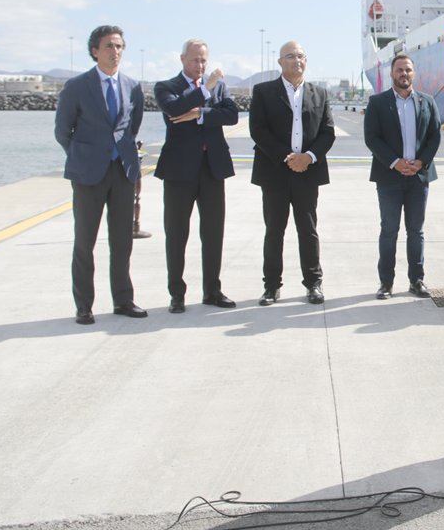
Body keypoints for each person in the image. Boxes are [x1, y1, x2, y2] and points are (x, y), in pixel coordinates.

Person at [54, 25, 147, 325]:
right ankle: (84, 306)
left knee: (122, 241)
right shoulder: (77, 86)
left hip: (122, 172)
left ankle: (123, 300)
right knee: (85, 242)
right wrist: (84, 156)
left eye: (119, 46)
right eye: (108, 46)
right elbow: (62, 131)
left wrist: (118, 153)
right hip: (88, 174)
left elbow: (131, 128)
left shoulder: (133, 86)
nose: (115, 51)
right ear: (95, 51)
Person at [153, 38, 239, 313]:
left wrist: (199, 114)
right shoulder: (166, 87)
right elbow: (174, 110)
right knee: (177, 233)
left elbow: (231, 115)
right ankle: (176, 294)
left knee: (213, 232)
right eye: (194, 59)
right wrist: (205, 90)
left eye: (203, 60)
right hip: (179, 170)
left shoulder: (219, 86)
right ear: (182, 59)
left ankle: (212, 291)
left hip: (212, 168)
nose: (200, 65)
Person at [250, 41, 335, 306]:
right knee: (274, 230)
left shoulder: (319, 93)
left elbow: (327, 132)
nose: (296, 60)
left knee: (308, 230)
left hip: (308, 172)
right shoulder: (263, 91)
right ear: (280, 62)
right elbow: (258, 130)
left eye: (300, 56)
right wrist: (287, 157)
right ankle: (271, 287)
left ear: (306, 61)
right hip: (275, 172)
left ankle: (313, 284)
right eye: (290, 56)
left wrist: (308, 158)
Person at [364, 54, 442, 300]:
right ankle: (386, 282)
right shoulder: (377, 102)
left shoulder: (427, 101)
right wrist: (395, 163)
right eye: (399, 70)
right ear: (392, 73)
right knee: (388, 230)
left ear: (414, 73)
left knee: (415, 231)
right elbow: (372, 137)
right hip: (389, 178)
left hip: (419, 178)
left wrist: (421, 163)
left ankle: (416, 280)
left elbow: (435, 135)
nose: (404, 74)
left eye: (408, 69)